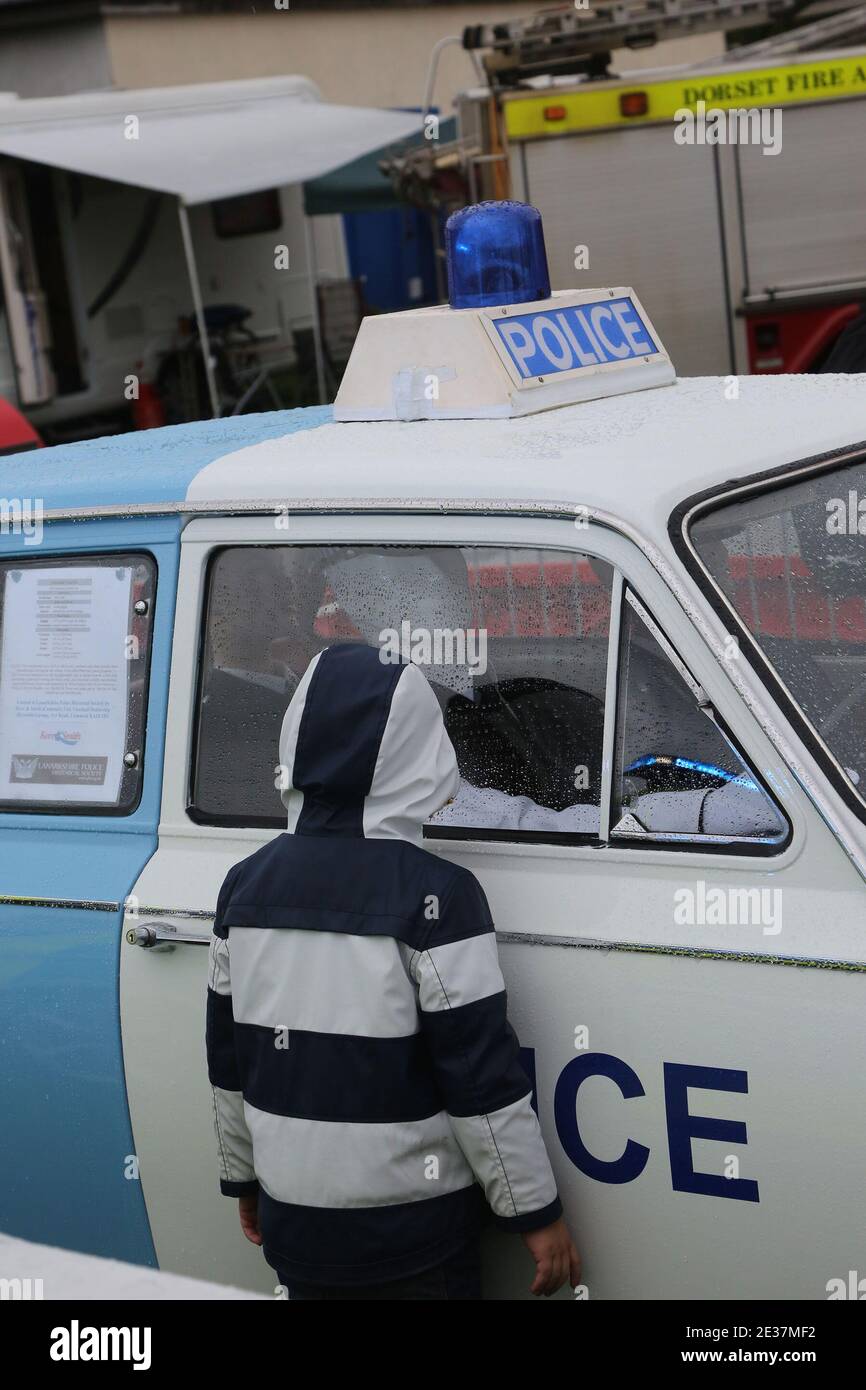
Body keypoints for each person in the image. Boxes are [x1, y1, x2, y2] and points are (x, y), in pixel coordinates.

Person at [206, 641, 581, 1300]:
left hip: (295, 1229)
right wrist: (534, 1212)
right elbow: (480, 1079)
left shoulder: (244, 887)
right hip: (417, 1238)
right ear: (421, 755)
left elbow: (228, 1063)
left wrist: (242, 1178)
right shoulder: (438, 897)